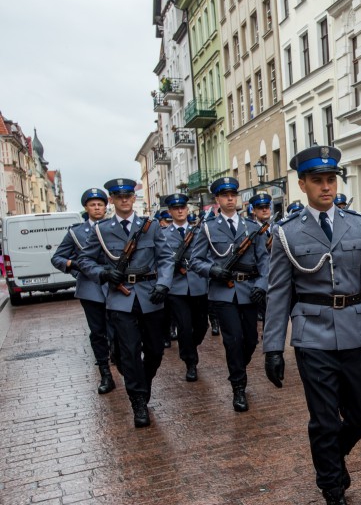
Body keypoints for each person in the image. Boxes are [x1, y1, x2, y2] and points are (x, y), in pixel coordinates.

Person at [263, 145, 361, 505]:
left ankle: (331, 463)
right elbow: (278, 292)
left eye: (330, 179)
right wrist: (273, 346)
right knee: (324, 421)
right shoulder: (286, 231)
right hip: (312, 335)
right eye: (317, 180)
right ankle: (334, 496)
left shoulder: (359, 225)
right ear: (302, 184)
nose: (325, 187)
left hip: (355, 330)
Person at [77, 178, 174, 427]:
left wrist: (164, 283)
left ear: (133, 198)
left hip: (151, 294)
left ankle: (143, 381)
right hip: (121, 297)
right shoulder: (102, 230)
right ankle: (138, 401)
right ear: (112, 200)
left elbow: (165, 258)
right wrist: (103, 273)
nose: (124, 200)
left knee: (155, 350)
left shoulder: (150, 226)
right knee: (130, 352)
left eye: (128, 196)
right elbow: (85, 260)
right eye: (119, 196)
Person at [191, 177, 270, 411]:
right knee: (233, 340)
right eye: (225, 195)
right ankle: (238, 386)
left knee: (251, 340)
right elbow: (195, 260)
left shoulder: (252, 227)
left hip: (249, 291)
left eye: (233, 195)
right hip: (223, 293)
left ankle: (239, 368)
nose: (230, 199)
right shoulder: (208, 228)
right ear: (217, 199)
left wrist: (261, 285)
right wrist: (211, 270)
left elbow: (264, 261)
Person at [51, 188, 117, 395]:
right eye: (92, 205)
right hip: (91, 287)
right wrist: (74, 265)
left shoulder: (114, 227)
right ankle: (105, 374)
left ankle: (120, 358)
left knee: (119, 328)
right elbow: (57, 258)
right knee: (98, 332)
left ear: (105, 207)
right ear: (86, 208)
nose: (97, 208)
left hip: (115, 285)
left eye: (100, 204)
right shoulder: (76, 232)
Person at [160, 193, 210, 382]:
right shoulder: (163, 234)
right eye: (175, 208)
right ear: (170, 211)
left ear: (187, 209)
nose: (180, 211)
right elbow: (161, 260)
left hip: (198, 284)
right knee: (184, 326)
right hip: (177, 288)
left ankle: (190, 345)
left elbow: (207, 255)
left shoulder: (200, 231)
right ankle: (190, 362)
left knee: (202, 325)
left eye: (182, 207)